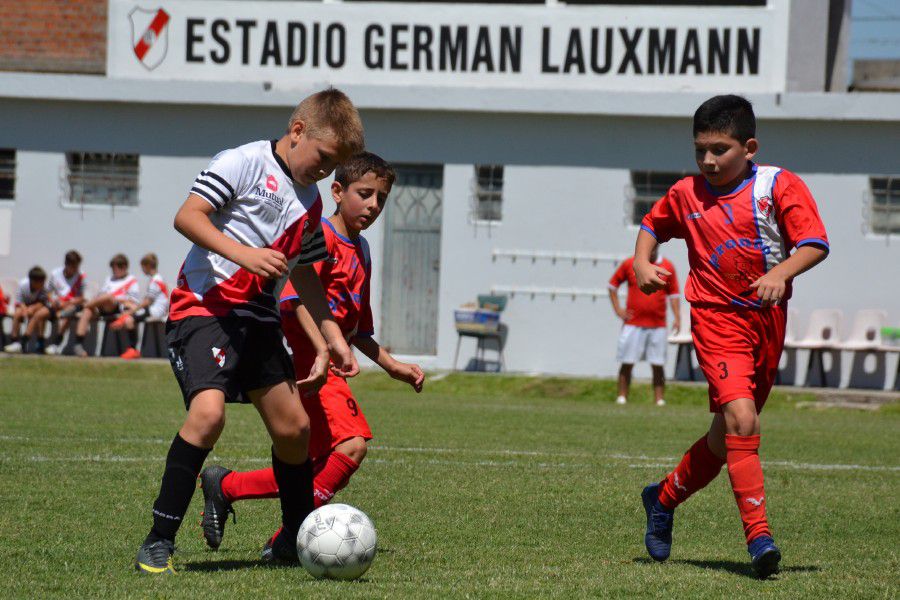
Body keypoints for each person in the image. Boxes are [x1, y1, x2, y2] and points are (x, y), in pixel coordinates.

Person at [134, 88, 366, 575]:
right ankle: (158, 543)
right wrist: (246, 255)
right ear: (297, 132)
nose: (324, 172)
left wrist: (332, 337)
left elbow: (303, 273)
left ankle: (297, 538)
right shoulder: (243, 161)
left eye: (333, 166)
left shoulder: (309, 201)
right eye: (323, 158)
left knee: (295, 429)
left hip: (257, 318)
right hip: (205, 307)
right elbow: (187, 216)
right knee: (208, 416)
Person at [196, 152, 425, 562]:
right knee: (351, 447)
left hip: (327, 361)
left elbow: (359, 328)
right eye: (365, 194)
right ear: (337, 191)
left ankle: (226, 486)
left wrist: (391, 364)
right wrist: (320, 348)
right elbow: (293, 297)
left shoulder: (364, 251)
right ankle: (292, 536)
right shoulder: (319, 237)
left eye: (382, 199)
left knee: (312, 463)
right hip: (307, 363)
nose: (373, 205)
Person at [635, 95, 829, 578]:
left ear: (749, 147)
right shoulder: (686, 193)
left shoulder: (777, 186)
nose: (707, 160)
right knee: (743, 420)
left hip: (766, 324)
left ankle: (661, 498)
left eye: (719, 149)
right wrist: (642, 262)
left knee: (725, 440)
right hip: (716, 321)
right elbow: (652, 224)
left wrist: (781, 273)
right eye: (700, 149)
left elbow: (815, 243)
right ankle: (759, 539)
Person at [608, 249, 680, 406]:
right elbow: (612, 286)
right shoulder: (630, 263)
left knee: (658, 364)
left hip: (658, 324)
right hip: (633, 324)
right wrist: (619, 310)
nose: (650, 249)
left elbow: (674, 294)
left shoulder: (667, 265)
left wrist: (677, 317)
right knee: (627, 361)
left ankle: (659, 399)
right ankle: (622, 397)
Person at [72, 254, 140, 358]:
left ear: (124, 267)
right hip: (102, 306)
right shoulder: (110, 279)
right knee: (88, 311)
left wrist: (115, 298)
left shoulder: (131, 280)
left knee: (108, 297)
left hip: (116, 307)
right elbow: (101, 294)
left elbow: (132, 301)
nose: (113, 271)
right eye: (112, 269)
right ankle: (78, 344)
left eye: (115, 269)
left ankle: (80, 306)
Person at [111, 252, 169, 359]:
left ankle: (132, 349)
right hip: (155, 309)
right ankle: (131, 346)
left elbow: (148, 302)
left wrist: (131, 311)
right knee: (130, 313)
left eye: (142, 267)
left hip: (156, 311)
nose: (142, 270)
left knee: (129, 318)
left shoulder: (156, 280)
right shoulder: (157, 278)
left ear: (147, 266)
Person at [41, 250, 87, 355]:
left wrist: (68, 303)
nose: (76, 269)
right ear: (66, 265)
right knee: (40, 314)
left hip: (70, 306)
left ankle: (56, 344)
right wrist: (53, 301)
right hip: (55, 305)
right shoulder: (55, 273)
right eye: (74, 267)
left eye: (77, 266)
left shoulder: (81, 276)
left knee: (68, 313)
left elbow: (82, 298)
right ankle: (36, 343)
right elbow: (48, 292)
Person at [3, 266, 50, 353]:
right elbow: (19, 302)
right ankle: (15, 341)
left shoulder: (45, 287)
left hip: (38, 307)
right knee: (17, 314)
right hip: (24, 306)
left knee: (39, 315)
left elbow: (43, 302)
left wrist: (32, 308)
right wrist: (25, 310)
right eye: (41, 282)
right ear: (33, 281)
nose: (43, 284)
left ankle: (32, 341)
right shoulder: (23, 285)